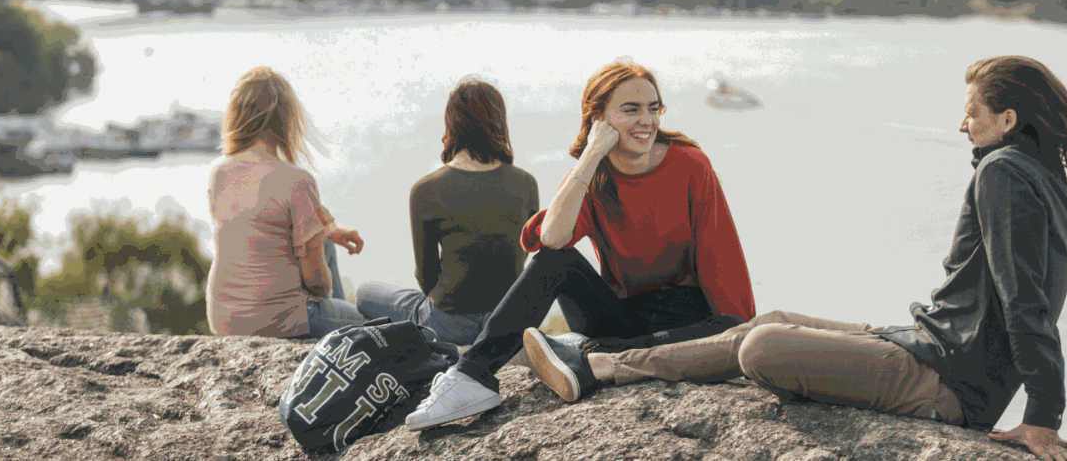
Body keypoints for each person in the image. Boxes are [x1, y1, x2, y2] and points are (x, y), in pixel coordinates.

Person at [523, 56, 1067, 461]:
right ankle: (598, 366)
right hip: (929, 343)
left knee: (761, 347)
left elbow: (1026, 301)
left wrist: (1044, 415)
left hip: (950, 381)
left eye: (973, 112)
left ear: (1009, 121)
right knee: (769, 321)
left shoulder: (1002, 173)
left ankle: (597, 365)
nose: (962, 124)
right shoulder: (1045, 179)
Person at [406, 60, 756, 429]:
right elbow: (552, 239)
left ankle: (588, 355)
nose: (647, 121)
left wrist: (740, 336)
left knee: (730, 325)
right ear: (599, 119)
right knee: (555, 259)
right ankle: (472, 376)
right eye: (631, 109)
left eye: (654, 108)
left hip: (685, 318)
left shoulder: (691, 165)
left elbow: (721, 258)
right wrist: (590, 156)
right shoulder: (593, 176)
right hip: (623, 317)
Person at [355, 78, 540, 346]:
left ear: (451, 123)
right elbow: (520, 256)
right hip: (505, 320)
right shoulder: (526, 182)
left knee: (365, 292)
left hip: (448, 324)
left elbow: (426, 275)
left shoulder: (426, 189)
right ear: (500, 122)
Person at [206, 66, 367, 339]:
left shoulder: (219, 173)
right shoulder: (296, 181)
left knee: (323, 242)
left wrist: (325, 231)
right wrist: (325, 292)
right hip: (278, 320)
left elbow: (256, 231)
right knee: (373, 327)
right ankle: (341, 345)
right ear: (287, 120)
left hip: (224, 319)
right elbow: (317, 286)